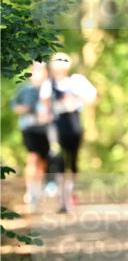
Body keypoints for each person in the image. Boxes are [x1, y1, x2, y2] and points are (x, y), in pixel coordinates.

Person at [39, 52, 97, 213]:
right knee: (58, 161)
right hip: (56, 127)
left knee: (72, 161)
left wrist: (77, 101)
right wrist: (49, 113)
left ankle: (70, 193)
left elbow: (92, 96)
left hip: (74, 125)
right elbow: (44, 108)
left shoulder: (76, 81)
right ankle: (62, 198)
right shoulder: (48, 84)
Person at [10, 61, 50, 211]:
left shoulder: (49, 88)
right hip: (29, 127)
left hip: (46, 129)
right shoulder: (24, 88)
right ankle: (30, 192)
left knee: (42, 161)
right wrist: (25, 109)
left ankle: (38, 190)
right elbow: (14, 106)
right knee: (32, 157)